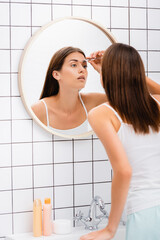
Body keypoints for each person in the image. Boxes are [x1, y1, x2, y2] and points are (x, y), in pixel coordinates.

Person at [80, 43, 160, 240]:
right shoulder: (156, 104)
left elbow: (124, 171)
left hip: (145, 210)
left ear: (108, 75)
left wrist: (110, 229)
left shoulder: (101, 114)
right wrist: (125, 68)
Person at [31, 46, 107, 134]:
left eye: (84, 66)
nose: (82, 70)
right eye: (74, 65)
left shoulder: (91, 101)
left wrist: (104, 71)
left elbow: (123, 101)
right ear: (56, 75)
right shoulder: (39, 110)